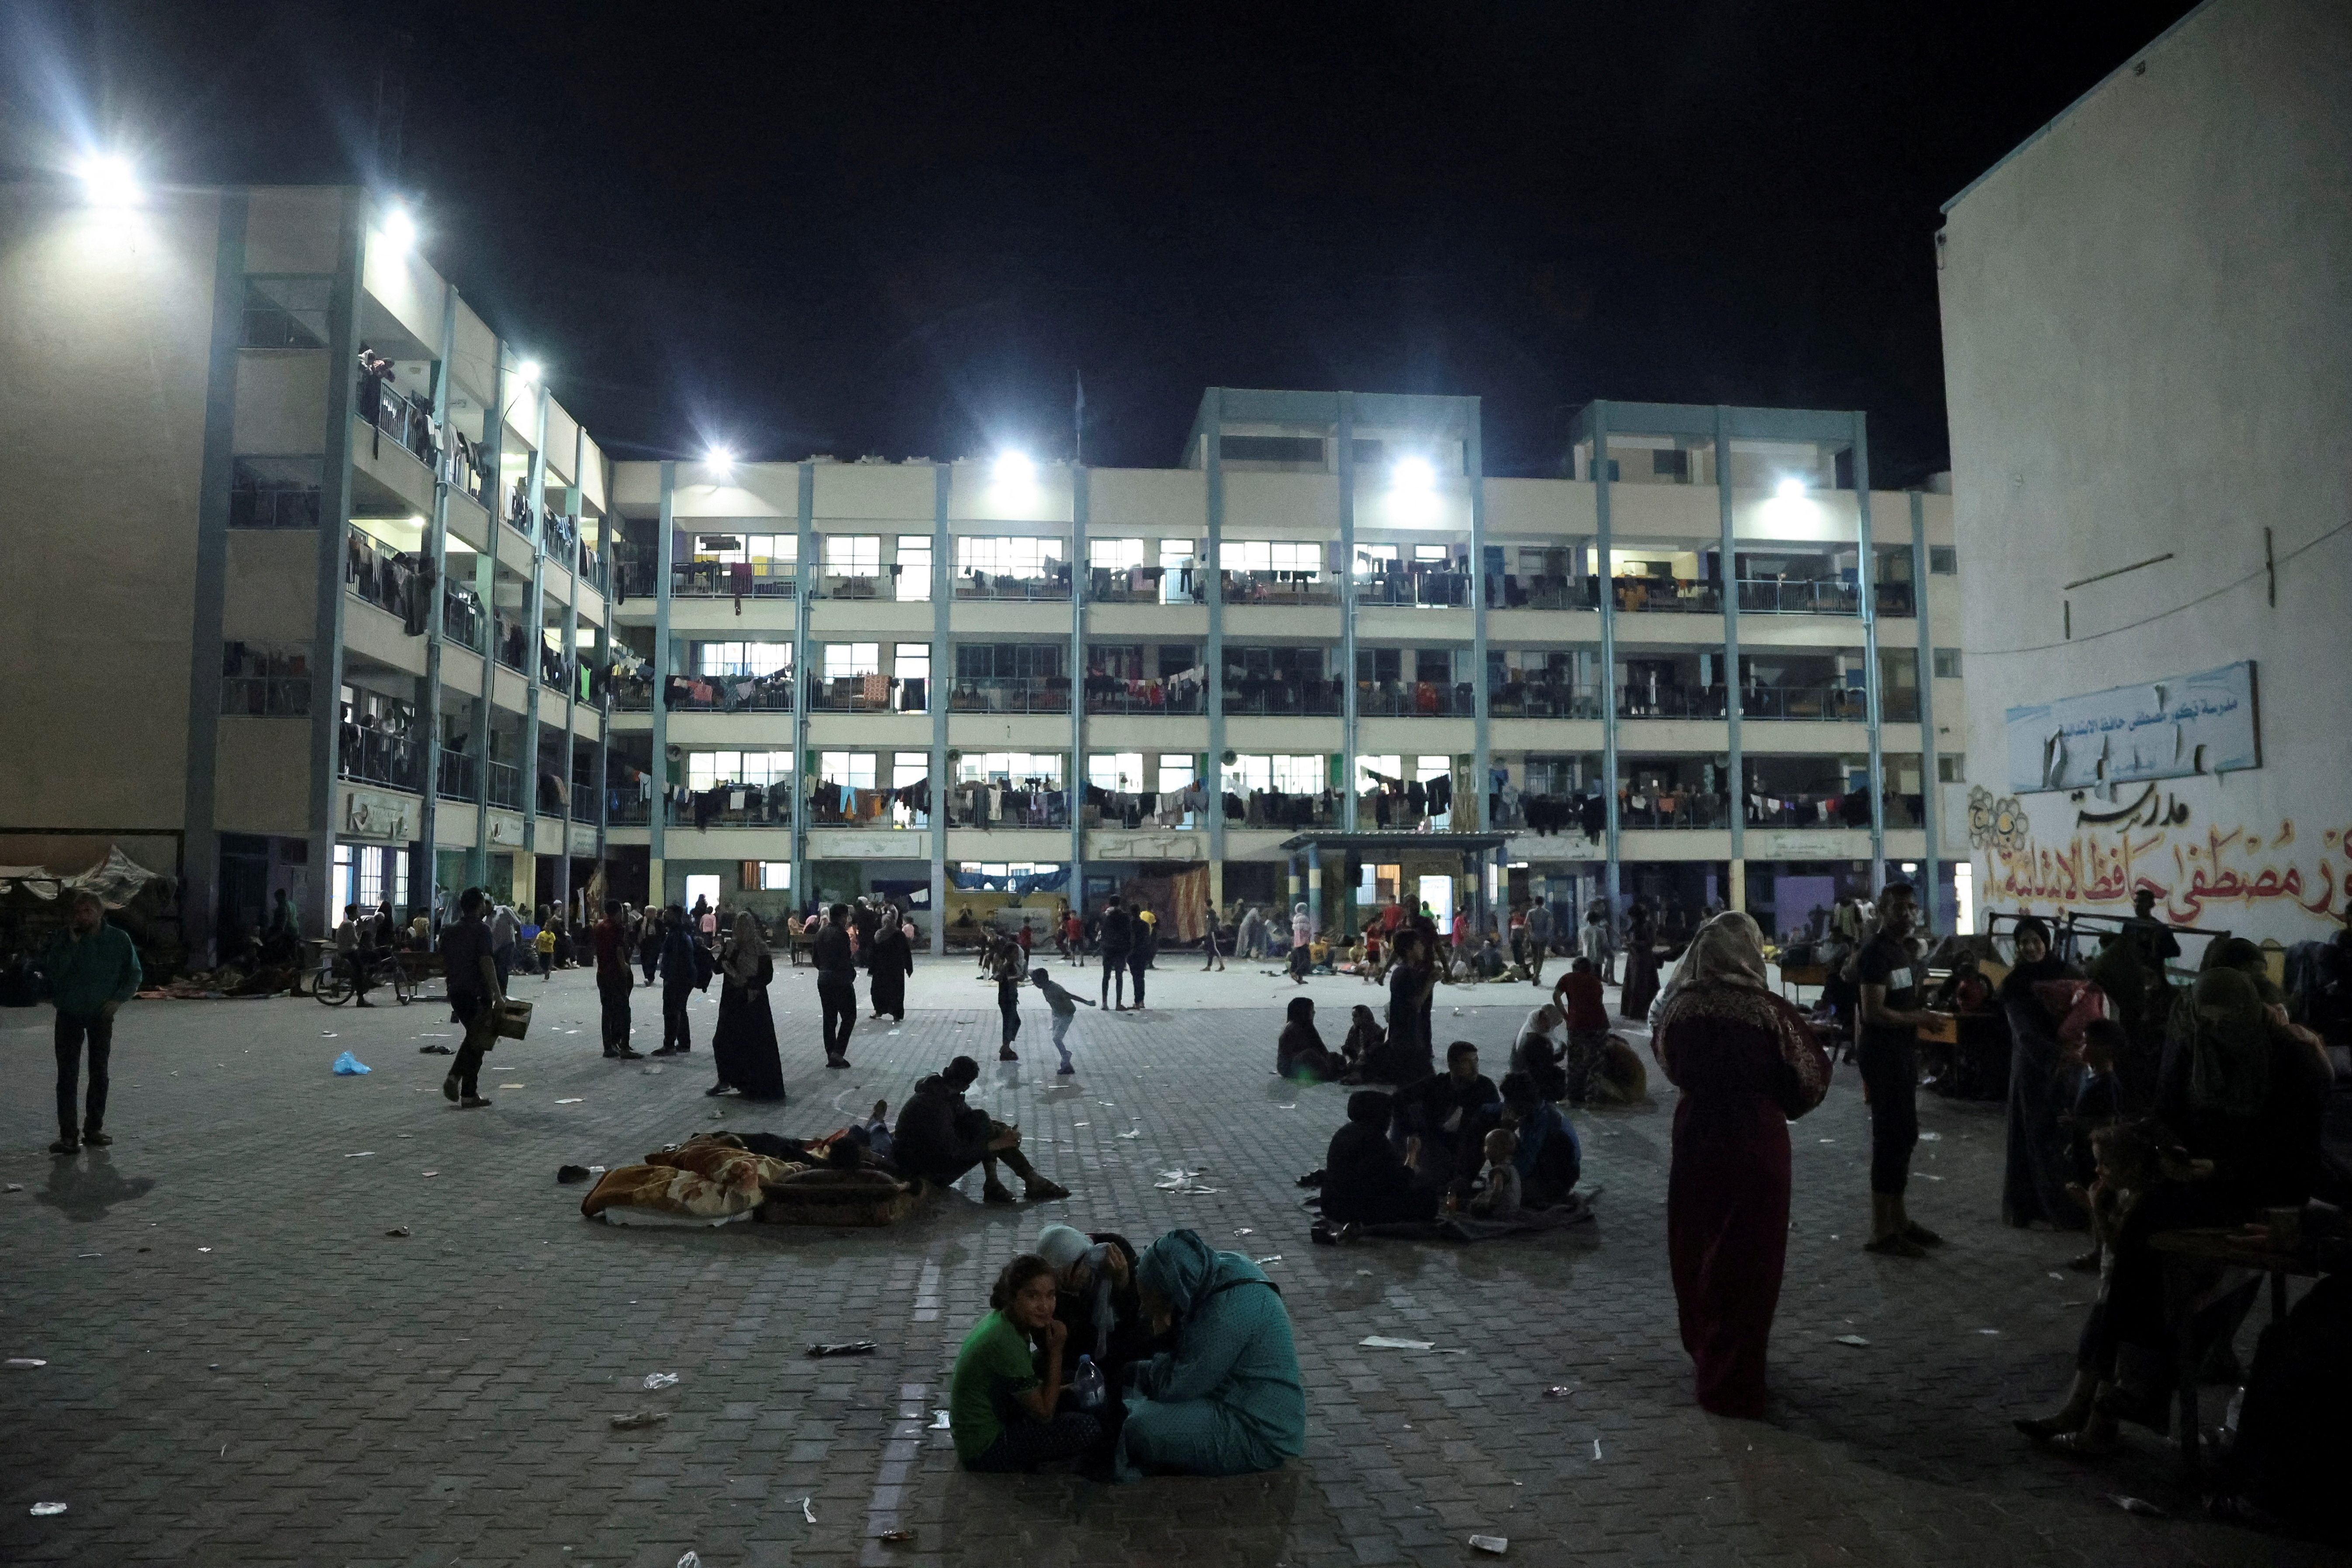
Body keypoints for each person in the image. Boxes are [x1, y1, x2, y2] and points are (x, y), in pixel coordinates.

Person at [2017, 970, 2332, 1454]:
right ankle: (2106, 1401)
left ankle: (2111, 1401)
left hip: (2256, 1193)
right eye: (2208, 1023)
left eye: (2227, 1024)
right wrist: (2169, 1150)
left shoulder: (2290, 1061)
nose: (2217, 1035)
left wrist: (2220, 1168)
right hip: (2193, 1181)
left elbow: (2293, 1161)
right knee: (2132, 1253)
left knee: (2142, 1257)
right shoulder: (2193, 1046)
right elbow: (2169, 1113)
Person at [1650, 910, 1832, 1418]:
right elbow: (1812, 1077)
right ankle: (1738, 1377)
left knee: (1698, 1245)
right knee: (1750, 1259)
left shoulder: (1679, 1009)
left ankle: (1707, 1356)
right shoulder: (1769, 1011)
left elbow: (1666, 1060)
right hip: (1757, 1142)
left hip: (1697, 1136)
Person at [1119, 1229, 1306, 1478]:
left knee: (1135, 1426)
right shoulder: (1219, 1268)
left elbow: (1177, 1389)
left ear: (1174, 1294)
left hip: (1258, 1432)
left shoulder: (1223, 1315)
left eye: (1152, 1304)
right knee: (1135, 1388)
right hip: (1233, 1396)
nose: (1145, 1309)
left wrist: (1141, 1373)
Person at [1854, 882, 1942, 1257]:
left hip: (1901, 1055)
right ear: (1881, 910)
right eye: (1898, 908)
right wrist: (1917, 1018)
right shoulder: (1875, 954)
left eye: (1910, 908)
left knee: (1904, 1135)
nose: (1906, 915)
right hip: (1883, 1056)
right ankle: (1879, 1231)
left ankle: (1899, 1221)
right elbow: (1873, 1012)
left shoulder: (1899, 952)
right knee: (1888, 1139)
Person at [951, 1254, 1102, 1472]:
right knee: (1087, 1429)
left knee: (1072, 1381)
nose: (1045, 1306)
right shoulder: (1004, 1340)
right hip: (983, 1449)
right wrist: (1057, 1350)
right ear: (1014, 1298)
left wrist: (1061, 1388)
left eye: (1051, 1296)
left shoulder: (1005, 1321)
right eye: (1033, 1297)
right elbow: (1045, 1413)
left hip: (997, 1414)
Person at [1998, 915, 2085, 1229]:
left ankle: (2067, 1207)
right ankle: (2038, 1208)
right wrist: (2054, 1057)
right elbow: (2023, 1032)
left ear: (2046, 943)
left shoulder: (2068, 974)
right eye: (2024, 943)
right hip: (2033, 1068)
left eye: (2036, 941)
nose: (2031, 947)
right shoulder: (2014, 984)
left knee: (2064, 1137)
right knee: (2033, 1136)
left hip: (2068, 1066)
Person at [892, 1055, 1071, 1203]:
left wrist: (1002, 1130)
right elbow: (953, 1153)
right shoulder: (936, 1106)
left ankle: (1004, 1182)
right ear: (966, 1086)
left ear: (947, 1072)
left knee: (983, 1121)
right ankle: (1017, 1181)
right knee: (990, 1135)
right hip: (925, 1172)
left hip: (927, 1158)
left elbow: (972, 1118)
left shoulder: (940, 1091)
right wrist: (996, 1144)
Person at [44, 889, 142, 1154]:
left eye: (87, 911)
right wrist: (73, 947)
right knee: (67, 1075)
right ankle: (68, 1136)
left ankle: (94, 1129)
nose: (81, 916)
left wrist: (118, 1000)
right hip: (69, 1013)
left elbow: (134, 974)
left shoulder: (118, 940)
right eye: (77, 912)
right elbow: (54, 974)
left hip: (100, 1014)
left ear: (100, 913)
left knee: (99, 1072)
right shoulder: (66, 940)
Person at [1036, 1223, 1157, 1385]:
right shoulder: (1051, 1291)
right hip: (1084, 1355)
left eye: (1075, 1268)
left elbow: (1141, 1313)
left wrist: (1123, 1282)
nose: (1074, 1279)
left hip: (1126, 1342)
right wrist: (1073, 1297)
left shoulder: (1113, 1254)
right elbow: (1062, 1345)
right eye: (1063, 1281)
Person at [1394, 1041, 1502, 1198]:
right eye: (1467, 1062)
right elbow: (1398, 1099)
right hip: (1435, 1142)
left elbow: (1494, 1128)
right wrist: (1411, 1131)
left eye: (1476, 1061)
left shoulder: (1485, 1088)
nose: (1474, 1068)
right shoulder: (1438, 1085)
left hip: (1469, 1144)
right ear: (1452, 1064)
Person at [1320, 1090, 1437, 1227]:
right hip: (1354, 1210)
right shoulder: (1375, 1140)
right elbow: (1399, 1183)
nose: (1390, 1121)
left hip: (1331, 1204)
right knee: (1428, 1199)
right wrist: (1412, 1154)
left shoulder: (1344, 1132)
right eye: (1389, 1115)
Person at [437, 887, 505, 1110]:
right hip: (476, 992)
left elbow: (445, 958)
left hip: (456, 991)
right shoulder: (482, 930)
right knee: (478, 1038)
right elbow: (486, 961)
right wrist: (497, 994)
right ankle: (456, 1078)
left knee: (476, 1038)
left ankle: (468, 1094)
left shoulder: (449, 931)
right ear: (479, 906)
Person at [710, 912, 786, 1100]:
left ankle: (754, 1085)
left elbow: (767, 975)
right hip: (732, 1000)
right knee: (722, 1040)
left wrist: (751, 985)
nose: (742, 930)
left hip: (753, 1000)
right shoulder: (732, 946)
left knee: (754, 1043)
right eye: (739, 926)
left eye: (745, 926)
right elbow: (717, 969)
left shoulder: (759, 948)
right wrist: (728, 952)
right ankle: (726, 1079)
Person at [1366, 933, 1436, 1083]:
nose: (1423, 948)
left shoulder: (1406, 972)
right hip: (1407, 1036)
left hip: (1405, 1035)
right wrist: (1431, 982)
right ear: (1409, 949)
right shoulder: (1405, 973)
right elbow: (1416, 1005)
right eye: (1419, 945)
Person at [1551, 957, 1611, 1105]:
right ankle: (1592, 1098)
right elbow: (1599, 1001)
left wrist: (1566, 1015)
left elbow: (1556, 995)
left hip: (1578, 1024)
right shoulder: (1595, 981)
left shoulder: (1567, 978)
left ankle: (1573, 1097)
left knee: (1575, 1061)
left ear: (1574, 968)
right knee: (1596, 1062)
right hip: (1600, 1024)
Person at [592, 898, 642, 1060]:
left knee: (607, 1011)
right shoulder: (616, 928)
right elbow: (619, 950)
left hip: (602, 973)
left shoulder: (599, 927)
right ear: (618, 912)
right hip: (616, 973)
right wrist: (625, 968)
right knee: (623, 1010)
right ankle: (625, 1047)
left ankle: (609, 1046)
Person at [653, 903, 703, 1057]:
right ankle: (683, 1043)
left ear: (675, 916)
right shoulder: (681, 932)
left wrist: (670, 978)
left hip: (678, 978)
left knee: (671, 1011)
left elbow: (676, 959)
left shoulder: (677, 935)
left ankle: (669, 1045)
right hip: (685, 977)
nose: (664, 916)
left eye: (667, 913)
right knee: (680, 1009)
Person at [813, 903, 857, 1068]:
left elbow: (815, 959)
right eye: (847, 916)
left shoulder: (821, 933)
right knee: (849, 1016)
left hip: (824, 980)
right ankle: (838, 1053)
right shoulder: (841, 935)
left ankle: (831, 1053)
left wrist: (824, 970)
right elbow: (845, 959)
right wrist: (850, 975)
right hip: (841, 981)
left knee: (829, 1018)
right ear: (842, 917)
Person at [1030, 967, 1095, 1075]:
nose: (1034, 984)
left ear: (1040, 982)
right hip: (1057, 1014)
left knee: (1056, 1039)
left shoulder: (1055, 989)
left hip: (1066, 1015)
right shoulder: (1046, 988)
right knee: (1056, 1037)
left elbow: (1070, 996)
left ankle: (1066, 1056)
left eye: (1035, 982)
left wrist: (1087, 1002)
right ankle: (1067, 1066)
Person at [1276, 996, 1340, 1083]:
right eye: (1312, 1010)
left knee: (1333, 1056)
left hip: (1298, 1062)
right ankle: (1331, 1075)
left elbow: (1321, 1048)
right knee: (1310, 1054)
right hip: (1288, 1068)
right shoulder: (1293, 1028)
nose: (1314, 1012)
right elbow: (1307, 1050)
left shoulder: (1306, 1026)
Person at [867, 907, 912, 1022]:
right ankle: (897, 1014)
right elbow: (906, 952)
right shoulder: (899, 935)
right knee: (896, 991)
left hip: (880, 970)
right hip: (896, 969)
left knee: (878, 990)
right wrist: (908, 967)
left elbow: (872, 953)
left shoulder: (879, 935)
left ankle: (879, 1011)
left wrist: (871, 968)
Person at [1619, 901, 1660, 1020]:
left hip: (1644, 959)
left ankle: (1644, 1011)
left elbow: (1651, 943)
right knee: (1633, 984)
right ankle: (1633, 1011)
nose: (1631, 919)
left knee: (1643, 985)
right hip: (1634, 958)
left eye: (1633, 917)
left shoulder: (1648, 925)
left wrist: (1633, 943)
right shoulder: (1635, 925)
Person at [335, 902, 376, 1007]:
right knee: (359, 970)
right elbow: (356, 940)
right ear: (354, 913)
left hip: (349, 949)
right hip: (348, 951)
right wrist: (361, 929)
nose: (359, 913)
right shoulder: (349, 924)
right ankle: (361, 998)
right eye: (358, 911)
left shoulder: (348, 923)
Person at [1098, 900, 1133, 1011]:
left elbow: (1101, 931)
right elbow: (1129, 933)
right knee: (1119, 976)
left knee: (1106, 976)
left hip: (1108, 949)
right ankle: (1118, 1004)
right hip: (1120, 950)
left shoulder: (1105, 916)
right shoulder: (1124, 916)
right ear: (1119, 904)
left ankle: (1104, 1003)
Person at [995, 945, 1025, 1063]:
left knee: (1013, 1022)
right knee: (1011, 1022)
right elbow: (1006, 979)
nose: (1017, 956)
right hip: (1007, 999)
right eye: (1015, 953)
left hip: (1008, 998)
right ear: (1009, 954)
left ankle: (1006, 1046)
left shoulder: (1010, 965)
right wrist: (1019, 978)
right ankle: (1006, 1048)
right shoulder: (1009, 966)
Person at [1338, 1004, 1385, 1079]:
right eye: (1353, 1017)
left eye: (1356, 1017)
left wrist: (1365, 1056)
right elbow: (1347, 1048)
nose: (1353, 1019)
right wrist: (1348, 1059)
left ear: (1364, 1017)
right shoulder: (1353, 1031)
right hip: (1355, 1062)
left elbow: (1378, 1052)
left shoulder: (1377, 1031)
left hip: (1370, 1064)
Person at [488, 901, 519, 992]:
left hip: (507, 944)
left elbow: (517, 923)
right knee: (496, 968)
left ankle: (502, 991)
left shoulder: (504, 910)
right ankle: (497, 990)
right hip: (495, 947)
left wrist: (518, 940)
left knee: (502, 967)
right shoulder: (486, 919)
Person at [1582, 901, 1615, 984]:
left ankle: (1606, 977)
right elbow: (1605, 944)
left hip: (1587, 955)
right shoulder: (1601, 931)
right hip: (1598, 956)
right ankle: (1609, 978)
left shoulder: (1582, 931)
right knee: (1610, 958)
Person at [1128, 905, 1155, 1006]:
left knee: (1136, 978)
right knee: (1141, 977)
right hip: (1143, 953)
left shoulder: (1130, 925)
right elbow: (1148, 939)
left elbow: (1129, 940)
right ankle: (1142, 1001)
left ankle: (1137, 1002)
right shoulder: (1145, 925)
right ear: (1140, 912)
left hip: (1133, 954)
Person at [1287, 903, 1313, 985]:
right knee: (1306, 960)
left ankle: (1298, 977)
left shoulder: (1295, 918)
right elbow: (1306, 931)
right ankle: (1296, 973)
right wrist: (1308, 939)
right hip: (1303, 942)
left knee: (1299, 960)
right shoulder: (1304, 918)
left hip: (1297, 942)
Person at [1201, 895, 1226, 971]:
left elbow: (1212, 921)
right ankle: (1209, 966)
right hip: (1210, 932)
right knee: (1210, 949)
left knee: (1214, 949)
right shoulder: (1209, 912)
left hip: (1211, 932)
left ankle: (1222, 965)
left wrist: (1211, 930)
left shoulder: (1211, 912)